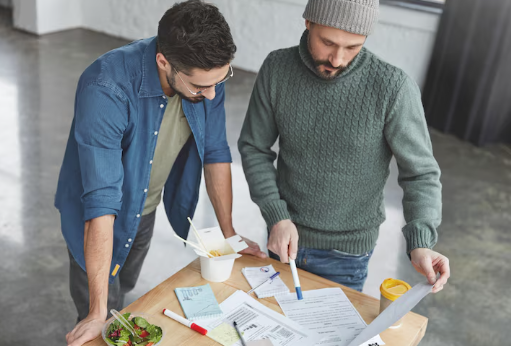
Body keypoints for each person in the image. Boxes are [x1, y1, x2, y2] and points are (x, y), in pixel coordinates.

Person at [55, 1, 264, 345]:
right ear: (164, 62)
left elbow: (215, 152)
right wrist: (97, 312)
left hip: (145, 207)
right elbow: (101, 203)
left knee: (125, 288)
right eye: (200, 88)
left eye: (220, 80)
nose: (212, 94)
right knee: (101, 314)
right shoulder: (104, 87)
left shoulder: (206, 75)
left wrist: (229, 234)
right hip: (95, 219)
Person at [238, 0, 450, 294]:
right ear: (308, 22)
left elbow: (421, 173)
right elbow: (254, 147)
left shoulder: (393, 87)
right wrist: (276, 216)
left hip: (347, 257)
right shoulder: (277, 69)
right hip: (284, 236)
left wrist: (420, 242)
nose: (337, 59)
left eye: (353, 47)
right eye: (328, 42)